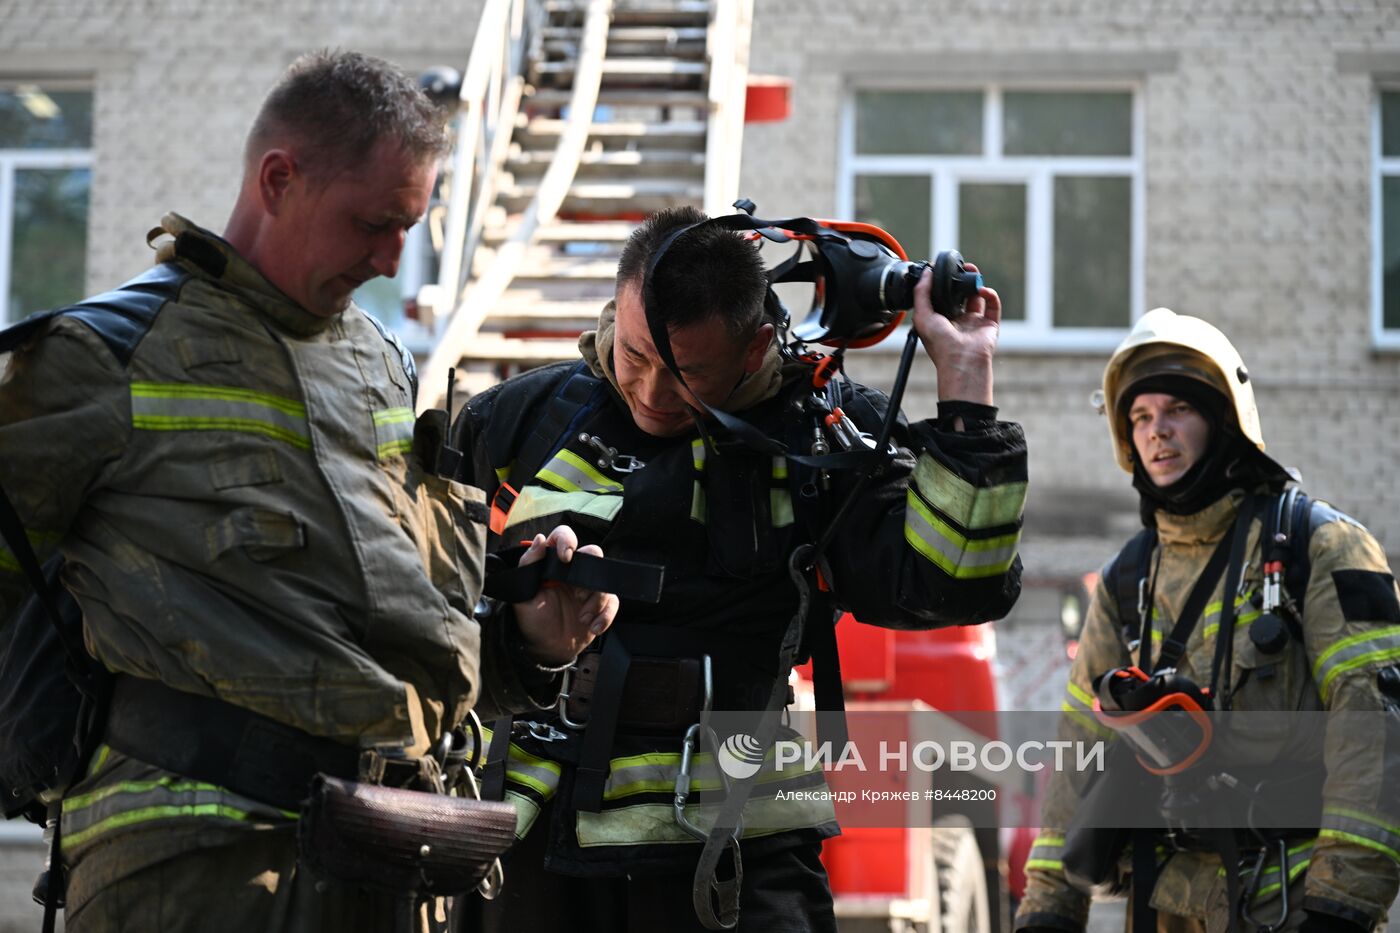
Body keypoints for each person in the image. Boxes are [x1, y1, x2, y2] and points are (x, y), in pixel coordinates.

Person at [0, 50, 618, 932]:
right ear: (279, 179)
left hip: (390, 860)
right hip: (195, 874)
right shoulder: (99, 359)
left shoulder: (380, 364)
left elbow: (391, 634)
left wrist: (527, 642)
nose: (391, 257)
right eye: (372, 223)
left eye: (412, 225)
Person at [449, 206, 1028, 931]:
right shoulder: (520, 421)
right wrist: (525, 640)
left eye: (688, 372)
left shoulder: (824, 435)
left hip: (738, 848)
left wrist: (966, 391)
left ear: (755, 345)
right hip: (535, 844)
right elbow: (429, 623)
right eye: (634, 356)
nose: (654, 393)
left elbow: (953, 583)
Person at [1014, 308, 1400, 933]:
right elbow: (1079, 748)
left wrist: (1341, 908)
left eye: (1177, 411)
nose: (1156, 432)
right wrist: (1048, 908)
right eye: (1140, 416)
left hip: (1294, 900)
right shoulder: (1127, 579)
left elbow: (1376, 732)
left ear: (1224, 423)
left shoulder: (1321, 547)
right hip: (1169, 905)